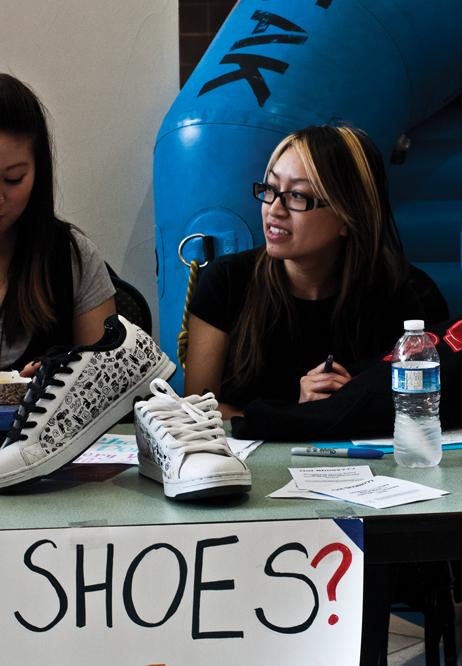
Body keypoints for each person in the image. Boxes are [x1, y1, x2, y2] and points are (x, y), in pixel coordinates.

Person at [185, 124, 448, 419]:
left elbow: (431, 407)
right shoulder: (226, 283)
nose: (274, 209)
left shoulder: (411, 295)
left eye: (298, 196)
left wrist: (355, 401)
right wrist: (296, 415)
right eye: (270, 189)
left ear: (347, 217)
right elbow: (196, 411)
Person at [0, 73, 116, 372]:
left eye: (13, 179)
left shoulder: (70, 256)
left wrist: (62, 388)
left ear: (39, 173)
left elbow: (104, 384)